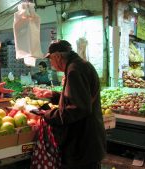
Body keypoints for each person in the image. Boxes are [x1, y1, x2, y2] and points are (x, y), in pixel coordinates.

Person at [32, 40, 106, 169]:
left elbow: (77, 108)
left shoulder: (74, 70)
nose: (51, 64)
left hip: (82, 142)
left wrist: (48, 114)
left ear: (58, 57)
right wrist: (52, 95)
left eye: (51, 60)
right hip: (88, 139)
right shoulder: (79, 65)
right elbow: (78, 99)